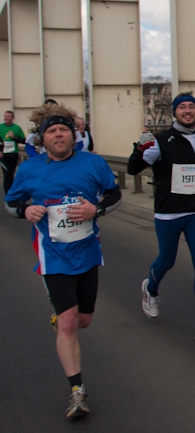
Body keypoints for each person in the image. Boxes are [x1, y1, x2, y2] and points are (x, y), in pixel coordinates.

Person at [5, 104, 121, 419]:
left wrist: (94, 210)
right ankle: (77, 391)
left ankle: (62, 319)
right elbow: (11, 201)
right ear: (43, 138)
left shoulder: (93, 163)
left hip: (87, 254)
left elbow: (114, 194)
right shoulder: (30, 169)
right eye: (52, 131)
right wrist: (25, 211)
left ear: (73, 135)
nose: (59, 135)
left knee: (83, 321)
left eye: (64, 130)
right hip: (52, 256)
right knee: (70, 323)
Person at [127, 93, 195, 341]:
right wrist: (139, 147)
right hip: (168, 213)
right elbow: (133, 168)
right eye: (182, 107)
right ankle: (151, 289)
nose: (187, 111)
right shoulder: (160, 141)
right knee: (167, 261)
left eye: (192, 107)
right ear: (175, 112)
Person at [0, 110, 26, 194]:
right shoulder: (0, 127)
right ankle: (7, 194)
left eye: (8, 116)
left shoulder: (16, 128)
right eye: (5, 116)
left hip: (13, 155)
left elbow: (24, 140)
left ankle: (12, 194)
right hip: (3, 155)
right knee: (7, 174)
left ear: (12, 118)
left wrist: (14, 137)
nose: (6, 118)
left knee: (11, 175)